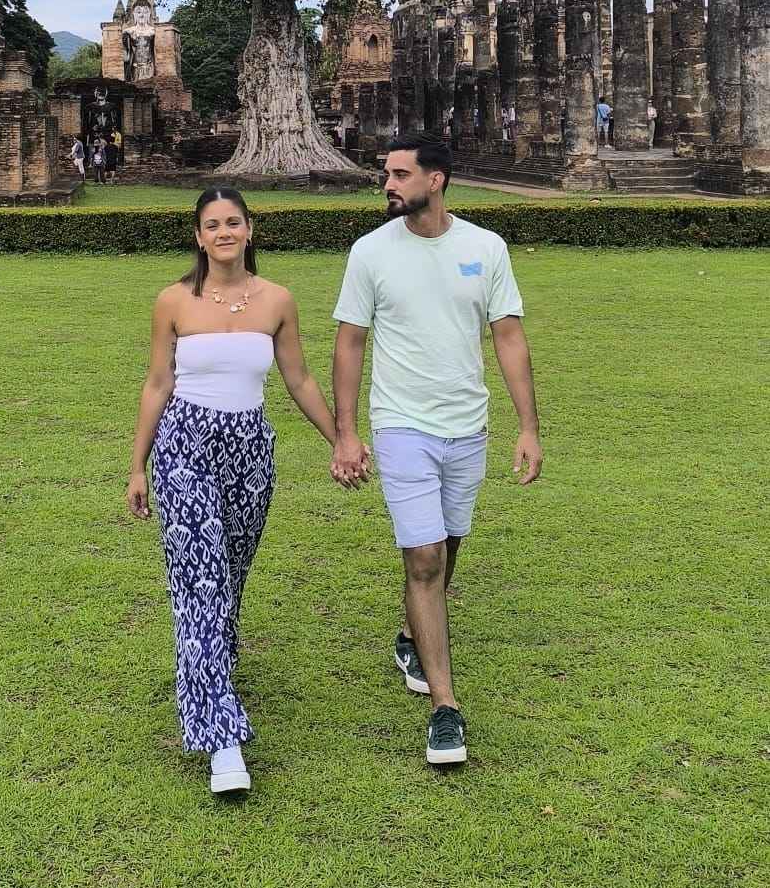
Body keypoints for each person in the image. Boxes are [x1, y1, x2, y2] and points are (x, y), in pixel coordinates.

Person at [127, 188, 369, 795]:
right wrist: (137, 466)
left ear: (249, 229)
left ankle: (213, 654)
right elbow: (157, 383)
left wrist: (342, 439)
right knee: (199, 578)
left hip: (250, 446)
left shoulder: (277, 300)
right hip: (184, 445)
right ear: (198, 236)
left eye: (233, 222)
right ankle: (221, 738)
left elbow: (299, 378)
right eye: (212, 225)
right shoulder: (173, 301)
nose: (224, 232)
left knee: (230, 571)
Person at [330, 137, 542, 769]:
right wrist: (346, 432)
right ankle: (445, 708)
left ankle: (410, 634)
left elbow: (508, 337)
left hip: (467, 426)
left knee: (447, 545)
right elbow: (349, 343)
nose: (388, 184)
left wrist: (528, 427)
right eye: (386, 174)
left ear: (436, 179)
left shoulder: (486, 248)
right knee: (423, 557)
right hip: (401, 425)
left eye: (400, 174)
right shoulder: (370, 252)